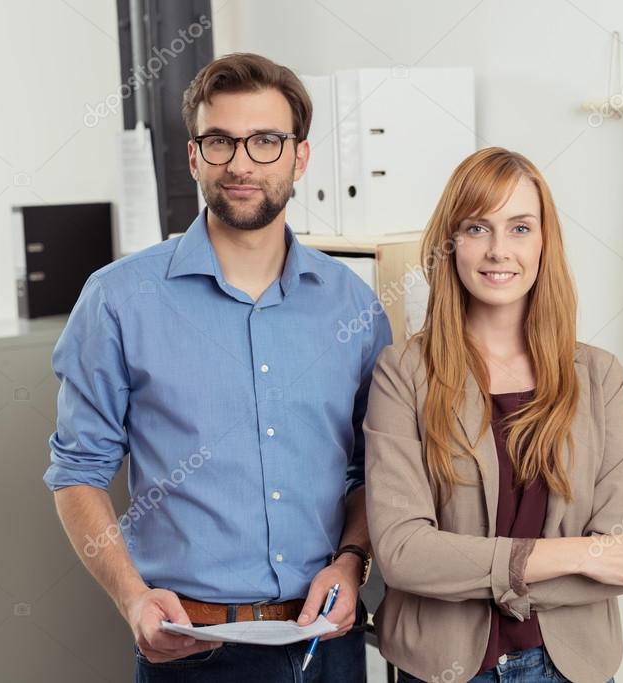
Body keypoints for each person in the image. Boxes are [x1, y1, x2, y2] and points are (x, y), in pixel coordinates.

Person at [44, 52, 391, 682]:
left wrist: (351, 562)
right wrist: (131, 598)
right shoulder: (118, 299)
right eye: (220, 141)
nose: (241, 163)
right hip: (191, 651)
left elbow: (372, 468)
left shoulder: (353, 307)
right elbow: (77, 474)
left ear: (299, 157)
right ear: (194, 156)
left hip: (328, 647)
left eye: (265, 141)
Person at [364, 147, 623, 683]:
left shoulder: (598, 376)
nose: (498, 250)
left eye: (520, 228)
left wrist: (468, 569)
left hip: (571, 666)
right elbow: (405, 554)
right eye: (477, 228)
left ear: (544, 241)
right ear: (450, 243)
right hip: (443, 668)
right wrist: (581, 554)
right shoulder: (404, 372)